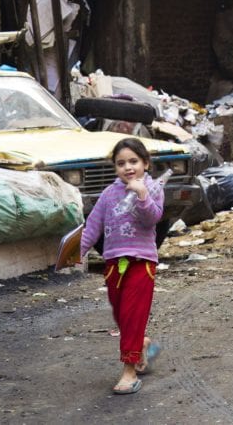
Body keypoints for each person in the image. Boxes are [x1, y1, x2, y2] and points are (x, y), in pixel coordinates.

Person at [80, 137, 164, 395]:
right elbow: (92, 226)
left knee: (131, 314)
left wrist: (141, 194)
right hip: (114, 264)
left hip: (142, 263)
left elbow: (153, 219)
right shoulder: (109, 193)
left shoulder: (153, 188)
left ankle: (129, 372)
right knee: (121, 315)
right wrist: (76, 253)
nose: (128, 168)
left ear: (145, 164)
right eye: (121, 163)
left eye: (133, 161)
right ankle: (141, 344)